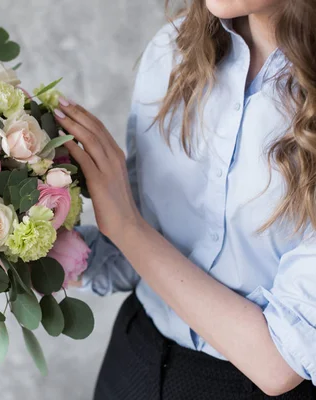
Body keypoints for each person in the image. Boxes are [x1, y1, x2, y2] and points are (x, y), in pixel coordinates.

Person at [54, 0, 316, 398]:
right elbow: (142, 256)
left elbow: (279, 363)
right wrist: (28, 241)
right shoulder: (174, 49)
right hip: (131, 364)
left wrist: (126, 226)